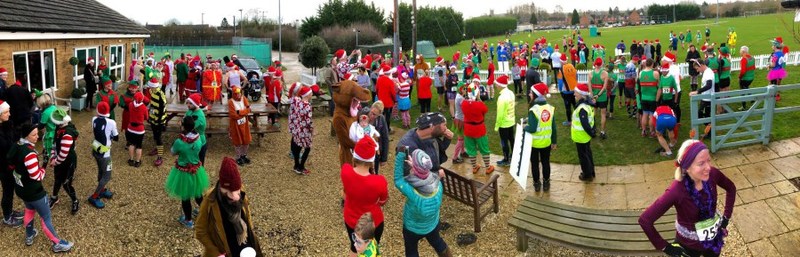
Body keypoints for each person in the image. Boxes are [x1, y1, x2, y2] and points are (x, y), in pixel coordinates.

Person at [639, 140, 736, 257]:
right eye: (701, 163)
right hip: (688, 245)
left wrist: (726, 217)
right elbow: (645, 220)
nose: (708, 167)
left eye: (708, 161)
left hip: (713, 239)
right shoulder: (676, 191)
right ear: (687, 167)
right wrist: (665, 247)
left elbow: (731, 188)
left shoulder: (712, 175)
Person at [9, 122, 74, 252]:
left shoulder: (17, 145)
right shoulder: (30, 154)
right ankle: (57, 244)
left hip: (22, 189)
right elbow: (37, 176)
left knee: (29, 210)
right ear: (26, 136)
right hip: (35, 192)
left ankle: (29, 236)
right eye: (33, 135)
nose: (37, 137)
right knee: (46, 218)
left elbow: (12, 161)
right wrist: (43, 166)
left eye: (37, 133)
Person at [195, 157, 263, 257]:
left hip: (244, 243)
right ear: (221, 186)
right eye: (229, 191)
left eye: (236, 190)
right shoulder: (210, 200)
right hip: (225, 249)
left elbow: (247, 217)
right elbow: (200, 231)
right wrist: (216, 253)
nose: (234, 197)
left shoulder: (240, 190)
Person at [394, 148, 451, 257]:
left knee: (411, 251)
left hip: (412, 229)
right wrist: (415, 167)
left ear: (415, 169)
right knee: (438, 243)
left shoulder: (413, 192)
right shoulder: (438, 185)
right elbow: (428, 175)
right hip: (432, 225)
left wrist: (401, 155)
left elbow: (398, 180)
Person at [341, 136, 388, 256]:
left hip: (351, 219)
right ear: (372, 160)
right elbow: (383, 201)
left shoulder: (345, 170)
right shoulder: (380, 181)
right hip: (372, 223)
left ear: (354, 156)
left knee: (354, 246)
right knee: (371, 249)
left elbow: (344, 194)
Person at [166, 116, 210, 228]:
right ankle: (206, 212)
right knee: (198, 193)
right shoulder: (199, 138)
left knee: (185, 197)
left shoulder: (179, 142)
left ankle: (188, 220)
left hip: (183, 171)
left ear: (183, 126)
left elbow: (172, 152)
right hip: (196, 169)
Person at [524, 82, 557, 192]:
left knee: (534, 164)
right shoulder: (550, 108)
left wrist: (524, 127)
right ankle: (546, 182)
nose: (529, 94)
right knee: (546, 163)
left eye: (530, 92)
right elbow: (553, 127)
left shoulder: (533, 110)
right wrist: (554, 141)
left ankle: (537, 183)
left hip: (534, 143)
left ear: (535, 95)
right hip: (546, 142)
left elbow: (532, 128)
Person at [46, 108, 79, 215]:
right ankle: (54, 197)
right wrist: (52, 157)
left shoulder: (67, 134)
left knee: (66, 183)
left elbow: (63, 154)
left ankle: (75, 200)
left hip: (68, 162)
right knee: (57, 179)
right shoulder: (59, 127)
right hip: (59, 160)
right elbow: (54, 144)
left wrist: (54, 162)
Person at [88, 102, 117, 209]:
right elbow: (116, 137)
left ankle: (102, 189)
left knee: (101, 170)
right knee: (107, 175)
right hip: (105, 154)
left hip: (96, 149)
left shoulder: (94, 119)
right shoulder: (111, 122)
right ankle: (95, 196)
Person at [461, 85, 494, 175]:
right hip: (479, 129)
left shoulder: (463, 103)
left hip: (468, 129)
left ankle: (474, 167)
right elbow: (485, 110)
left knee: (471, 149)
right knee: (484, 148)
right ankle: (487, 167)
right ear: (476, 93)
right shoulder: (480, 104)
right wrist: (479, 99)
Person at [0, 100, 23, 226]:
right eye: (6, 112)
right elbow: (7, 147)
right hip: (4, 167)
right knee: (7, 191)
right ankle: (7, 217)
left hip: (10, 165)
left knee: (10, 190)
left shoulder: (7, 124)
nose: (9, 114)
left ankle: (9, 211)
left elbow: (14, 139)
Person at [572, 84, 596, 181]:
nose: (574, 94)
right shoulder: (587, 105)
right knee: (588, 153)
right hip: (585, 136)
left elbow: (585, 123)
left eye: (576, 93)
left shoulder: (582, 108)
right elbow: (592, 120)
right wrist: (592, 132)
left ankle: (587, 175)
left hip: (581, 136)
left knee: (583, 156)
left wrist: (591, 133)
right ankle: (591, 171)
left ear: (581, 95)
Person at [288, 86, 313, 175]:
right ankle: (301, 167)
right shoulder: (307, 105)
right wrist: (312, 130)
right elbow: (308, 120)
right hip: (304, 131)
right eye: (311, 93)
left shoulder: (297, 102)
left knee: (297, 147)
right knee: (307, 148)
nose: (312, 94)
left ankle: (296, 165)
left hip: (297, 129)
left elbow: (292, 98)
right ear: (308, 94)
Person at [689, 60, 716, 140]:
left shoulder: (708, 73)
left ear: (701, 65)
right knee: (704, 116)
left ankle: (711, 131)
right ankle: (710, 132)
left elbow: (709, 85)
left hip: (708, 99)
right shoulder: (706, 72)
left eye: (697, 68)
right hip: (705, 98)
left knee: (701, 115)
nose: (697, 71)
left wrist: (697, 91)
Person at [494, 75, 515, 166]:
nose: (496, 86)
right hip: (511, 121)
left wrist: (496, 126)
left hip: (504, 123)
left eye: (496, 84)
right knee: (512, 139)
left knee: (504, 142)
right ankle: (513, 156)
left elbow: (500, 114)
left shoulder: (501, 98)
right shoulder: (511, 93)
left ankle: (506, 159)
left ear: (500, 85)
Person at [228, 86, 252, 166]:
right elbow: (233, 115)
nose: (238, 95)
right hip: (235, 125)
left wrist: (239, 112)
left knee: (246, 140)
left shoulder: (244, 98)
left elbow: (249, 109)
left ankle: (244, 155)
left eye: (239, 93)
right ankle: (238, 157)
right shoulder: (231, 102)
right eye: (236, 94)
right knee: (237, 141)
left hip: (244, 124)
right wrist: (243, 113)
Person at [146, 78, 167, 166]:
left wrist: (159, 120)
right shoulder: (152, 91)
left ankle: (160, 157)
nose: (149, 88)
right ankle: (157, 149)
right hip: (153, 118)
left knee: (158, 138)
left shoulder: (160, 93)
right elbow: (152, 104)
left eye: (150, 86)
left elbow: (163, 107)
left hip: (159, 120)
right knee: (155, 136)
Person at [638, 59, 660, 137]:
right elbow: (659, 85)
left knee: (644, 114)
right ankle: (651, 131)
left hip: (644, 97)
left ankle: (643, 130)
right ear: (652, 64)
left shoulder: (641, 73)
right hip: (652, 97)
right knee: (651, 115)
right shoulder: (655, 73)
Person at [588, 58, 609, 139]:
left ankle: (592, 130)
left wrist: (593, 96)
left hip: (593, 97)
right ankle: (602, 132)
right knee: (603, 115)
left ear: (595, 64)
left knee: (593, 113)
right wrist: (598, 95)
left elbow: (589, 86)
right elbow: (604, 87)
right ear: (601, 64)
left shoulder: (590, 73)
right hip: (602, 97)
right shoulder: (605, 73)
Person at [125, 92, 147, 167]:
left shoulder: (130, 105)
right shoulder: (144, 107)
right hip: (139, 129)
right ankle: (137, 161)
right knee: (139, 146)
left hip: (130, 128)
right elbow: (146, 117)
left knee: (131, 144)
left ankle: (131, 159)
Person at [186, 93, 209, 164]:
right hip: (191, 141)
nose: (188, 105)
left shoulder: (199, 116)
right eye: (187, 103)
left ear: (195, 104)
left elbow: (186, 127)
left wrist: (183, 123)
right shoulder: (190, 110)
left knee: (198, 165)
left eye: (190, 103)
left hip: (199, 143)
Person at [368, 101, 390, 174]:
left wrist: (384, 158)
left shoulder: (381, 119)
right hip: (364, 150)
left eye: (375, 115)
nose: (372, 116)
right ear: (371, 108)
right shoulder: (363, 115)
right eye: (372, 112)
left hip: (376, 151)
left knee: (374, 173)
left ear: (379, 115)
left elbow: (385, 138)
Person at [375, 65, 397, 131]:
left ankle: (380, 128)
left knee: (381, 115)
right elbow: (393, 92)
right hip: (389, 102)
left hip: (381, 100)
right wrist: (395, 100)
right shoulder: (390, 81)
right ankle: (387, 128)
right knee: (388, 116)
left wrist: (379, 97)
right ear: (390, 73)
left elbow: (377, 89)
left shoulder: (379, 79)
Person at [450, 83, 467, 164]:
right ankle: (455, 158)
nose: (465, 90)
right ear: (460, 90)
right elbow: (466, 108)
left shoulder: (458, 96)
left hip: (458, 119)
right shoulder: (461, 99)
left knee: (462, 137)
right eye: (464, 89)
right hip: (461, 120)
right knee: (460, 139)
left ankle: (463, 152)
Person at [558, 61, 578, 126]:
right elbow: (576, 76)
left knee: (568, 107)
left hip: (566, 91)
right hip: (573, 90)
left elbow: (560, 81)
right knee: (574, 104)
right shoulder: (572, 65)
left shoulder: (561, 69)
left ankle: (569, 121)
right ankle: (578, 117)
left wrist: (560, 89)